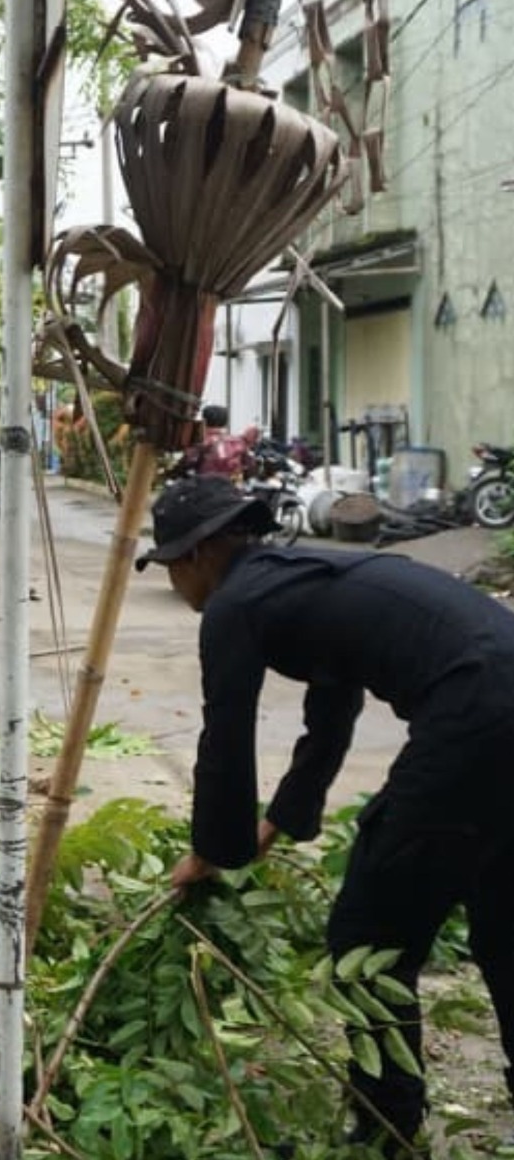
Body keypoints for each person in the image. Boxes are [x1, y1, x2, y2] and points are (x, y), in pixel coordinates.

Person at [141, 475, 514, 1154]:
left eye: (170, 568)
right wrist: (277, 823)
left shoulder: (236, 604)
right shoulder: (304, 578)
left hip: (476, 708)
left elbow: (225, 737)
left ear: (196, 554)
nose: (175, 585)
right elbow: (333, 712)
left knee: (367, 936)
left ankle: (384, 1132)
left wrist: (212, 850)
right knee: (501, 918)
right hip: (496, 696)